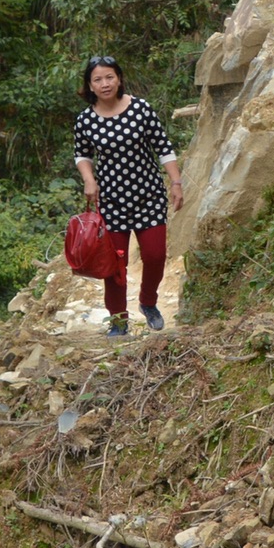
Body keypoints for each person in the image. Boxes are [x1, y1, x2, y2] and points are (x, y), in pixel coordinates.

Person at [73, 56, 183, 337]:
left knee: (155, 255)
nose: (104, 83)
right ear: (90, 85)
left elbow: (163, 146)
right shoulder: (85, 120)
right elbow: (82, 154)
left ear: (119, 78)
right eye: (97, 79)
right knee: (114, 265)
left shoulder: (140, 109)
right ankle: (118, 320)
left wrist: (176, 182)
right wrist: (89, 179)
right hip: (111, 201)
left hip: (149, 195)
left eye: (109, 77)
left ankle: (148, 302)